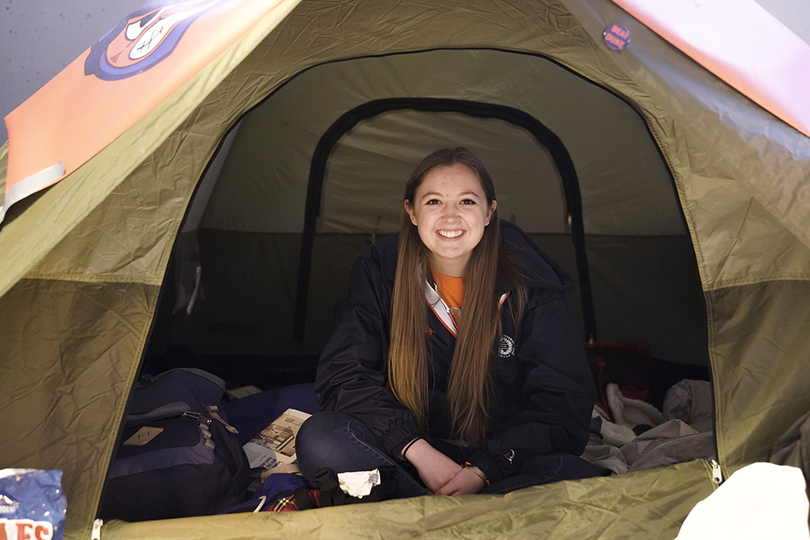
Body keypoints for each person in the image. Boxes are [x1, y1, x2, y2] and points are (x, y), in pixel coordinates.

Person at [296, 147, 600, 498]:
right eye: (434, 202)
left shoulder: (529, 280)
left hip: (502, 461)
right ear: (411, 211)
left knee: (576, 475)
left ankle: (420, 515)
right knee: (321, 439)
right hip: (412, 454)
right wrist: (419, 451)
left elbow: (562, 399)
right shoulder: (380, 269)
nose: (451, 216)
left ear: (490, 212)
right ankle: (463, 518)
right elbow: (345, 374)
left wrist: (483, 470)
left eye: (468, 202)